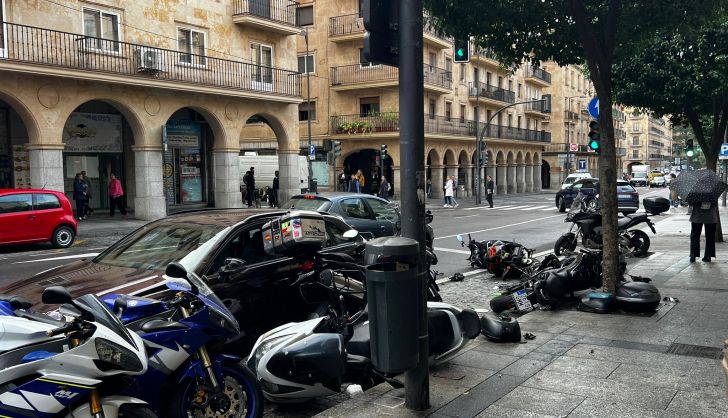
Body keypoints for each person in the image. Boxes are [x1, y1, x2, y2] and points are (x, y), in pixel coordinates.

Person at [689, 199, 718, 263]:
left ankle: (693, 255)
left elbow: (691, 203)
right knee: (710, 237)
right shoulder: (713, 192)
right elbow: (715, 205)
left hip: (697, 216)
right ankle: (708, 256)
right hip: (711, 217)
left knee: (695, 236)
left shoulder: (696, 192)